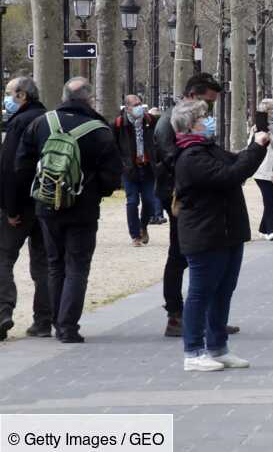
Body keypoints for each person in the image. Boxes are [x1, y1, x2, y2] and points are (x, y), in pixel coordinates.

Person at [14, 78, 121, 342]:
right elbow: (112, 177)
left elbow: (22, 165)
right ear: (88, 99)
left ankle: (54, 321)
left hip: (47, 205)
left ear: (63, 97)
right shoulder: (100, 130)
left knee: (54, 264)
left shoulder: (41, 124)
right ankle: (68, 326)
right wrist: (95, 191)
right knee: (77, 266)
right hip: (83, 207)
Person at [171, 99, 270, 371]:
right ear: (191, 125)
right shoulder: (192, 157)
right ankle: (193, 351)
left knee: (223, 291)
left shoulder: (208, 149)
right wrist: (255, 146)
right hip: (205, 233)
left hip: (226, 232)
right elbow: (231, 174)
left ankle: (217, 346)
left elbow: (239, 162)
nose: (209, 120)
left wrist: (257, 138)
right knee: (200, 293)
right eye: (204, 117)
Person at [155, 73, 231, 338]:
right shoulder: (169, 122)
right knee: (181, 254)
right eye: (207, 103)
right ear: (193, 95)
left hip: (190, 193)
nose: (209, 111)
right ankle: (176, 315)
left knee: (199, 254)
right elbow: (174, 160)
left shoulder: (181, 120)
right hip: (179, 195)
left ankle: (207, 314)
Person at [0, 76, 51, 340]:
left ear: (22, 95)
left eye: (8, 93)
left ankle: (3, 311)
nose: (6, 98)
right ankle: (43, 320)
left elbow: (10, 169)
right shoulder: (49, 119)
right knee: (43, 264)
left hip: (20, 205)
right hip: (46, 202)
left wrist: (10, 209)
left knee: (3, 258)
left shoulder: (18, 123)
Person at [113, 94, 158, 247]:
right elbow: (114, 147)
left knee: (149, 201)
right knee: (132, 202)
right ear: (127, 108)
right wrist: (122, 165)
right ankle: (135, 235)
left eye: (140, 103)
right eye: (135, 104)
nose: (139, 106)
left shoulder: (150, 121)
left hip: (148, 167)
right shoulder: (119, 124)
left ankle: (143, 225)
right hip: (130, 169)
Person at [250, 99, 273, 241]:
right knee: (269, 200)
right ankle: (271, 230)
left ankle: (263, 228)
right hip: (263, 170)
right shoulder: (257, 128)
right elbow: (251, 147)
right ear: (266, 112)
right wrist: (265, 135)